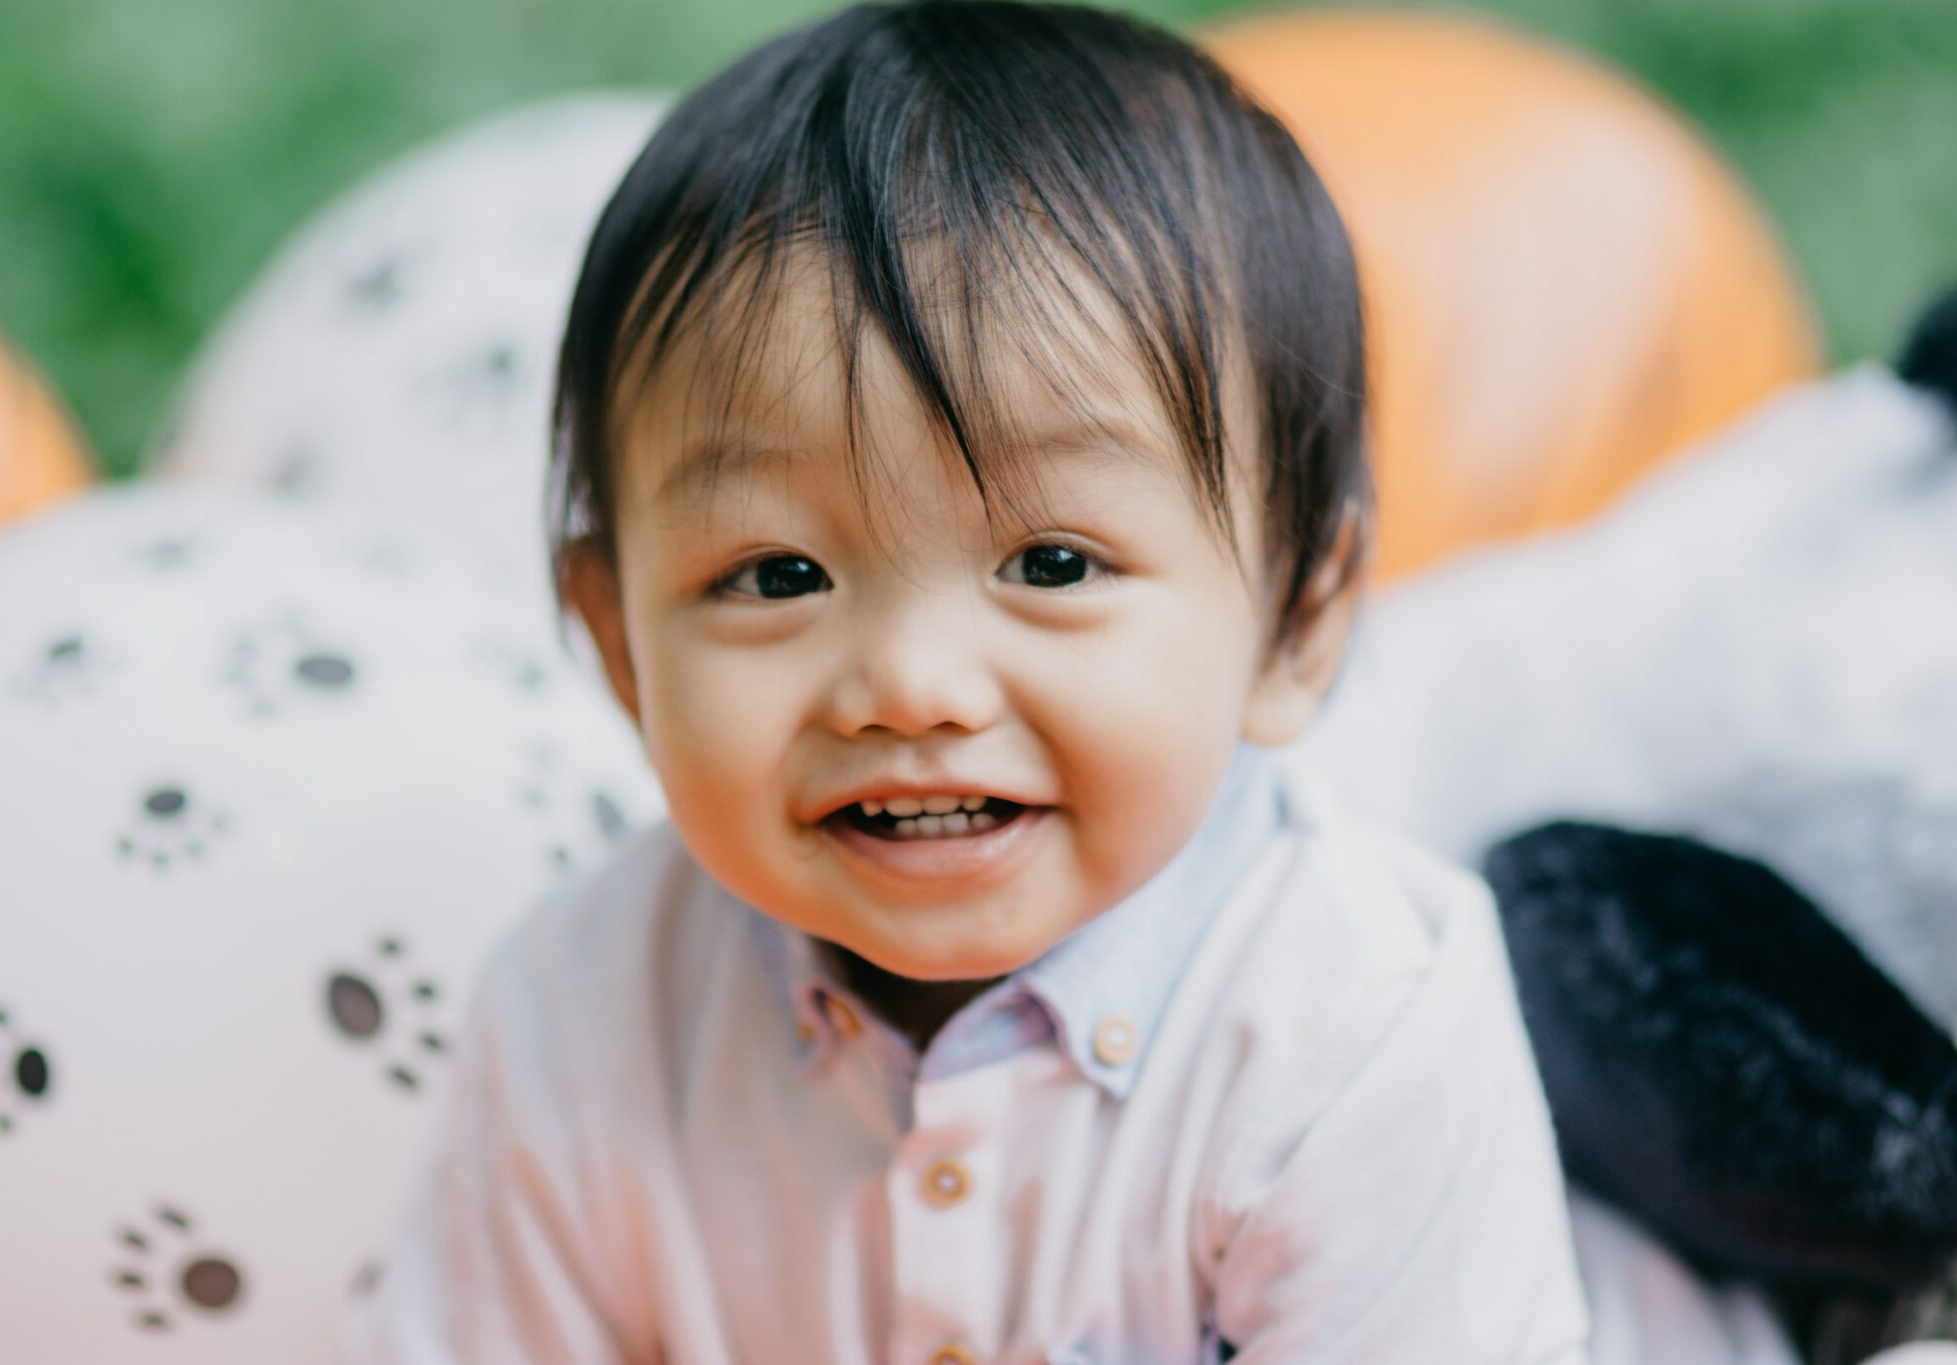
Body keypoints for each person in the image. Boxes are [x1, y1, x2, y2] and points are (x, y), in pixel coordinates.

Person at [347, 3, 1590, 1360]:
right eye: (776, 574)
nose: (912, 688)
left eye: (1052, 561)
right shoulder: (580, 1016)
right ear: (616, 644)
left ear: (1299, 619)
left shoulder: (1357, 1034)